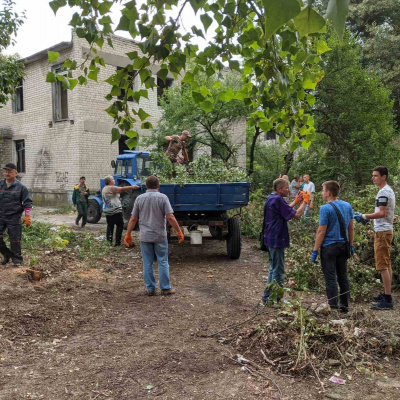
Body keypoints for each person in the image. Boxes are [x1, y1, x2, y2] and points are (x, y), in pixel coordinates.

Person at [124, 175, 184, 296]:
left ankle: (150, 289)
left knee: (147, 263)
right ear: (158, 186)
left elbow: (133, 218)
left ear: (146, 186)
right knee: (162, 261)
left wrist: (128, 233)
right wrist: (178, 231)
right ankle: (165, 288)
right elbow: (170, 217)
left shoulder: (140, 199)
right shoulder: (163, 198)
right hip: (159, 236)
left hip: (145, 236)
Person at [260, 178, 310, 305]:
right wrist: (305, 201)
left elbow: (284, 210)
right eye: (286, 188)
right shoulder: (277, 199)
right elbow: (297, 215)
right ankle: (274, 300)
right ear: (279, 189)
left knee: (273, 269)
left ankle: (266, 298)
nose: (289, 190)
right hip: (277, 238)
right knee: (278, 271)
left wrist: (296, 201)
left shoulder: (271, 197)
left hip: (270, 237)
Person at [354, 166, 395, 310]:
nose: (373, 178)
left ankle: (388, 300)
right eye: (373, 175)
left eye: (376, 176)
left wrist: (365, 216)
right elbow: (380, 211)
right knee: (387, 263)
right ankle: (386, 293)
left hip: (383, 232)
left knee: (382, 266)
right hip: (385, 229)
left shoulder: (384, 192)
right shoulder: (385, 191)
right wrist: (368, 217)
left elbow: (382, 213)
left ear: (384, 176)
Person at [311, 181, 354, 313]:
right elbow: (351, 228)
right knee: (343, 276)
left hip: (329, 248)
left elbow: (321, 231)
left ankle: (334, 307)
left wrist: (315, 250)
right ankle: (345, 306)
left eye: (323, 190)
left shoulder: (326, 208)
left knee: (330, 278)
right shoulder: (347, 206)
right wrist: (351, 245)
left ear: (328, 192)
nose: (322, 193)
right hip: (343, 246)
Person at [0, 163, 33, 267]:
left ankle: (17, 261)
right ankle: (7, 253)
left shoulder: (21, 187)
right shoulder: (0, 185)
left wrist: (27, 216)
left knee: (15, 239)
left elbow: (27, 202)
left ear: (15, 173)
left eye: (10, 171)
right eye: (5, 171)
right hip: (1, 215)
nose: (7, 173)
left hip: (14, 216)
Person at [102, 176, 139, 246]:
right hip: (115, 211)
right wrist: (132, 187)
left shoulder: (104, 189)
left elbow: (111, 197)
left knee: (110, 226)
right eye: (113, 179)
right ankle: (117, 242)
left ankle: (108, 242)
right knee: (120, 225)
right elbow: (122, 189)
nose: (114, 181)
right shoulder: (111, 187)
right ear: (109, 181)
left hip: (108, 210)